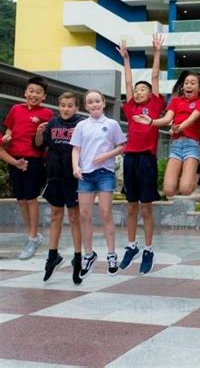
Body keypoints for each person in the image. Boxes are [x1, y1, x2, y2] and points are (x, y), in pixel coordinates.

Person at [116, 35, 165, 275]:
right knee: (131, 206)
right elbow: (127, 82)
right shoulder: (130, 107)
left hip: (147, 159)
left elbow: (155, 77)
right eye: (136, 89)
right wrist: (125, 59)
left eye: (142, 89)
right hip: (130, 159)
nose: (138, 91)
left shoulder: (155, 105)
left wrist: (157, 53)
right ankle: (131, 245)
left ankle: (148, 248)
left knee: (146, 207)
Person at [70, 90, 126, 278]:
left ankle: (111, 254)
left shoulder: (111, 124)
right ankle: (89, 254)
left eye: (97, 101)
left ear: (103, 103)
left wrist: (106, 156)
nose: (94, 104)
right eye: (90, 102)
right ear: (85, 106)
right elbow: (76, 149)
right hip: (85, 175)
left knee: (105, 212)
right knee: (84, 215)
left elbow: (122, 146)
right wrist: (75, 167)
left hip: (104, 174)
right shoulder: (81, 126)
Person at [2, 76, 54, 259]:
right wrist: (7, 137)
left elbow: (46, 140)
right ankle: (33, 235)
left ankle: (32, 237)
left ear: (44, 96)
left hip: (33, 160)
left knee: (31, 200)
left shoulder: (47, 114)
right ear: (25, 92)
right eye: (31, 91)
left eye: (38, 92)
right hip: (14, 158)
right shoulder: (16, 109)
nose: (34, 94)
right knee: (21, 200)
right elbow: (9, 128)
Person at [35, 92, 84, 284]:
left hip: (73, 177)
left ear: (76, 107)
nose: (66, 108)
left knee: (74, 217)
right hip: (54, 176)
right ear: (58, 106)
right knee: (56, 215)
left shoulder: (81, 124)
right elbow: (39, 144)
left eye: (70, 105)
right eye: (63, 105)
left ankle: (78, 258)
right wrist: (39, 132)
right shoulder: (53, 123)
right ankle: (52, 256)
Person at [134, 71, 200, 197]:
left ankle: (196, 174)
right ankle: (188, 176)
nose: (188, 85)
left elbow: (192, 118)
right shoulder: (175, 101)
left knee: (185, 189)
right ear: (183, 86)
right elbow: (167, 119)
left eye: (193, 83)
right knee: (168, 191)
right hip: (176, 145)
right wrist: (151, 121)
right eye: (186, 83)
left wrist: (179, 127)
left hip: (192, 145)